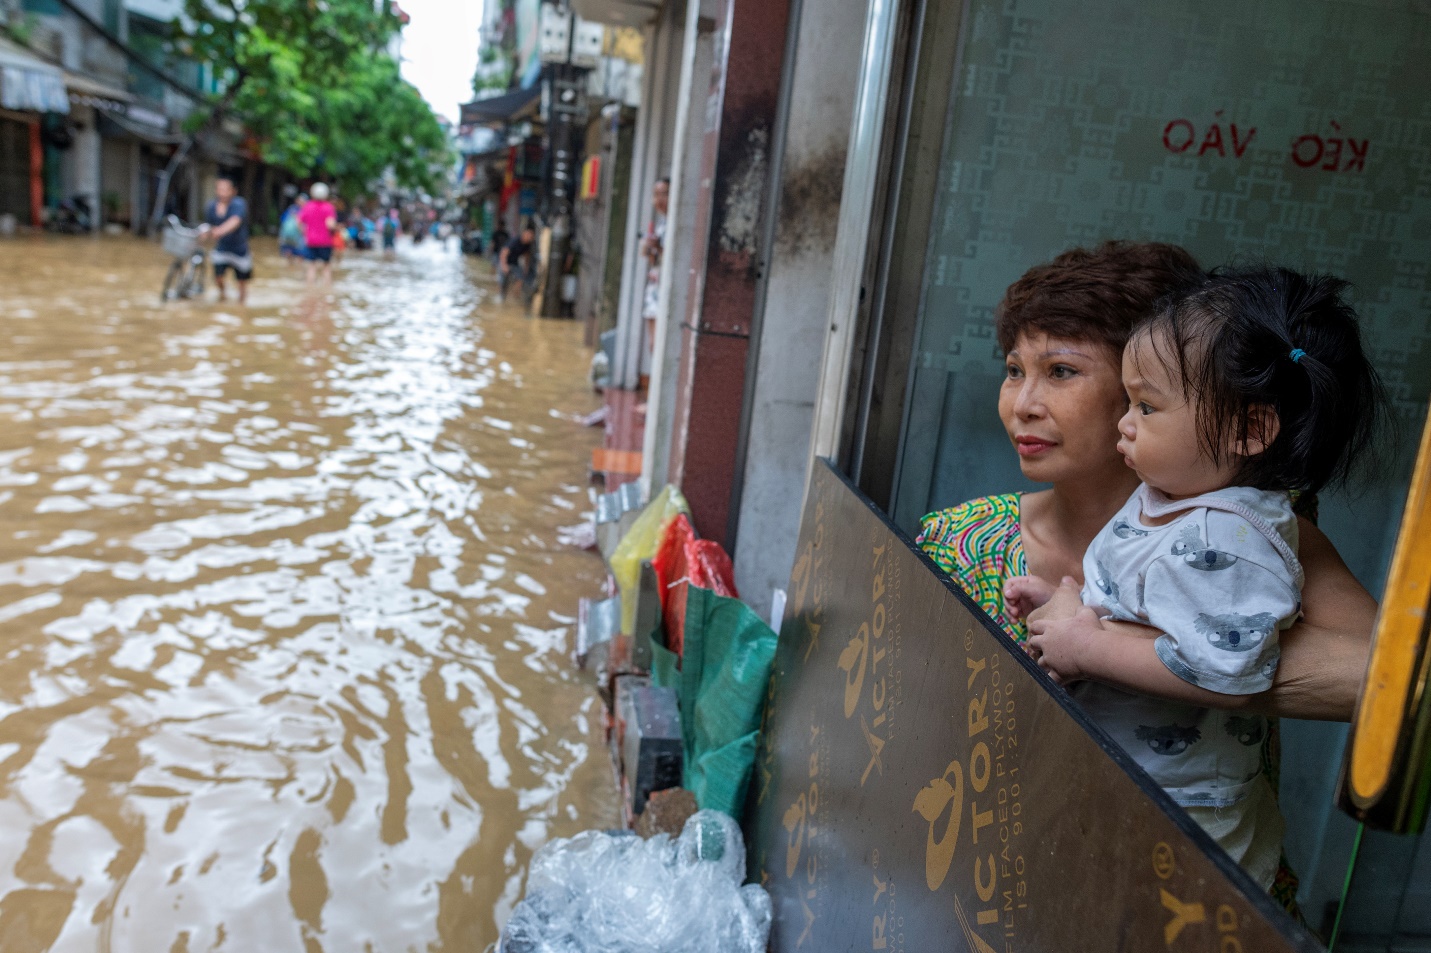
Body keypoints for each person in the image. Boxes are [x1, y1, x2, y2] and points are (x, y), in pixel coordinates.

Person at [914, 242, 1379, 907]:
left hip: (1210, 895)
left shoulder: (1257, 528)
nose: (1022, 402)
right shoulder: (963, 545)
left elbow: (1391, 682)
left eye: (1062, 371)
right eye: (1013, 369)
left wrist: (1113, 648)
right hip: (1032, 888)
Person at [200, 176, 252, 304]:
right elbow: (208, 224)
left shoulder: (239, 204)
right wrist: (204, 234)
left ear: (233, 191)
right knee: (218, 278)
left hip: (239, 250)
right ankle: (223, 296)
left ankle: (241, 304)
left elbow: (235, 221)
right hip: (222, 248)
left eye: (225, 190)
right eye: (219, 189)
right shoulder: (211, 206)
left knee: (241, 283)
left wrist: (219, 231)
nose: (222, 193)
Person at [641, 178, 670, 351]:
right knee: (653, 344)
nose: (659, 200)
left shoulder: (674, 225)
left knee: (659, 345)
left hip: (664, 291)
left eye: (665, 194)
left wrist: (658, 247)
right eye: (656, 195)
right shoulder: (661, 224)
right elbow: (653, 259)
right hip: (654, 289)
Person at [299, 182, 338, 286]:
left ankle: (310, 289)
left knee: (311, 266)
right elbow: (330, 225)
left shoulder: (308, 206)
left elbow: (299, 222)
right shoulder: (328, 207)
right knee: (326, 266)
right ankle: (327, 290)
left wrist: (304, 233)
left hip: (311, 241)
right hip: (325, 242)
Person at [498, 223, 538, 305]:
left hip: (514, 263)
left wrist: (526, 269)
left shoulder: (528, 244)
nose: (530, 238)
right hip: (505, 262)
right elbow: (504, 252)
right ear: (525, 234)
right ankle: (502, 297)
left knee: (521, 278)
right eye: (529, 235)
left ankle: (515, 296)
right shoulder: (515, 241)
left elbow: (527, 256)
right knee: (503, 282)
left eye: (532, 236)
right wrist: (504, 265)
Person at [279, 193, 307, 263]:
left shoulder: (290, 209)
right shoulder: (305, 210)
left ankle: (290, 268)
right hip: (298, 235)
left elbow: (282, 220)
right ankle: (296, 269)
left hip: (286, 235)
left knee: (288, 252)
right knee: (300, 254)